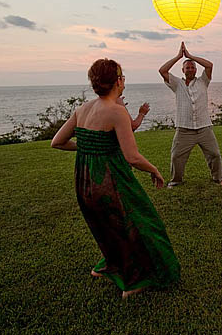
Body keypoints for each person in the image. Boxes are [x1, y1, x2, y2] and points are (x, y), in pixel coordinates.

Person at [51, 58, 180, 299]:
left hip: (85, 182)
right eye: (123, 78)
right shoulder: (117, 112)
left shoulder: (82, 109)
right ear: (118, 82)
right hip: (112, 181)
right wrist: (154, 170)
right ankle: (133, 282)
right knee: (143, 224)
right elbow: (132, 157)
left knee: (106, 227)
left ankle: (109, 265)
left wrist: (88, 146)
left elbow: (57, 142)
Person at [159, 41, 222, 186]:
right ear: (183, 70)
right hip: (184, 129)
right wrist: (179, 56)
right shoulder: (177, 84)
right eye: (187, 67)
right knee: (176, 156)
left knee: (215, 154)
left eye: (192, 67)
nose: (190, 69)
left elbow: (209, 65)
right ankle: (176, 180)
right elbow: (162, 70)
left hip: (204, 127)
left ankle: (218, 178)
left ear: (196, 70)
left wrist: (190, 56)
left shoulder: (203, 81)